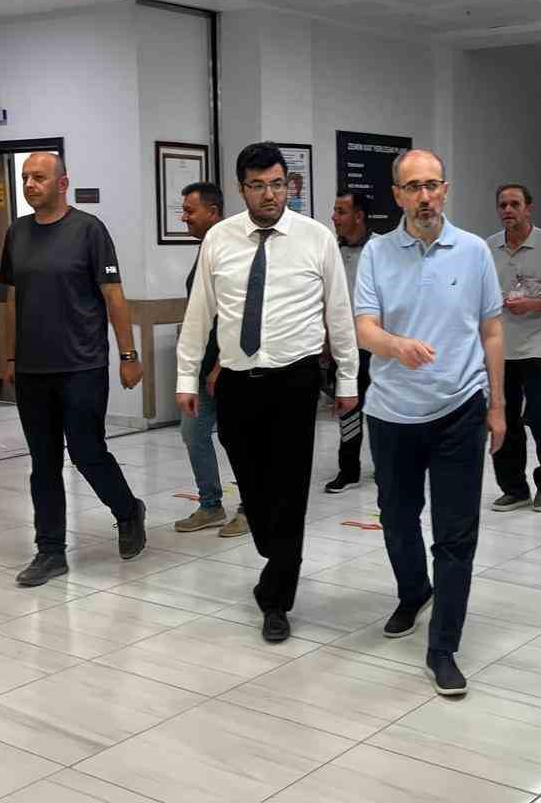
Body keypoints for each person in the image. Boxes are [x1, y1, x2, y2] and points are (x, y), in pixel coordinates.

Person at [176, 142, 358, 644]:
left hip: (294, 382)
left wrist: (347, 379)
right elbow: (199, 315)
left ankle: (277, 597)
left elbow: (339, 313)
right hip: (236, 383)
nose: (270, 194)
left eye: (278, 184)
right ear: (243, 190)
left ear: (289, 186)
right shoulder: (219, 240)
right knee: (255, 490)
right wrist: (186, 378)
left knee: (290, 489)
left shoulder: (316, 239)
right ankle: (274, 551)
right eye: (258, 186)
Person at [355, 149, 505, 698]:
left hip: (459, 409)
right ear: (397, 195)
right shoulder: (376, 253)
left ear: (446, 190)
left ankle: (443, 647)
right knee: (397, 520)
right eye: (413, 187)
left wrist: (497, 406)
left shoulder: (474, 252)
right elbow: (364, 328)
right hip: (391, 414)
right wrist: (396, 346)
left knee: (456, 535)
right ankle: (414, 590)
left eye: (432, 185)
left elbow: (492, 331)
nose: (424, 196)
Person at [0, 151, 147, 587]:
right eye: (25, 177)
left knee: (86, 452)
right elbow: (13, 298)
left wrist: (128, 355)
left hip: (82, 365)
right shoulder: (16, 232)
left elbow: (113, 296)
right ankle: (50, 551)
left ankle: (128, 511)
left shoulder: (88, 230)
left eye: (39, 177)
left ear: (62, 184)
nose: (30, 185)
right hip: (33, 369)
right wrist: (10, 357)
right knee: (43, 462)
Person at [488, 184, 541, 512]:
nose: (508, 210)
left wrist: (533, 305)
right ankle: (514, 488)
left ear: (528, 208)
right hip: (501, 350)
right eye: (502, 205)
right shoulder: (488, 247)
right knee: (503, 420)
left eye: (514, 204)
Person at [173, 181, 248, 539]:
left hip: (231, 369)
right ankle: (210, 504)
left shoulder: (232, 250)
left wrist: (221, 365)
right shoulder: (206, 249)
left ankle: (250, 507)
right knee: (193, 433)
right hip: (203, 368)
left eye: (190, 211)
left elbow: (238, 316)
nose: (184, 217)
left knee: (238, 440)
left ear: (213, 212)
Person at [324, 189, 372, 493]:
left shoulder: (381, 249)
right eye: (335, 211)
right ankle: (349, 470)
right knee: (347, 408)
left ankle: (388, 464)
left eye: (341, 211)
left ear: (358, 216)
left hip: (377, 348)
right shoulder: (331, 251)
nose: (334, 217)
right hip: (343, 348)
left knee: (380, 410)